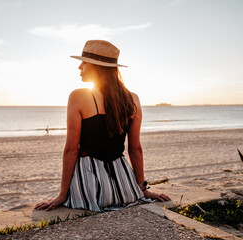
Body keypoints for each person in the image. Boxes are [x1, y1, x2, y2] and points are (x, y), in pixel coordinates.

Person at [35, 40, 170, 211]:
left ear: (96, 66)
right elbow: (135, 149)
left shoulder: (78, 96)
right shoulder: (133, 99)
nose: (79, 67)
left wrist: (62, 194)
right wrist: (142, 188)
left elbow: (71, 149)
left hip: (91, 188)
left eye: (84, 63)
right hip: (124, 188)